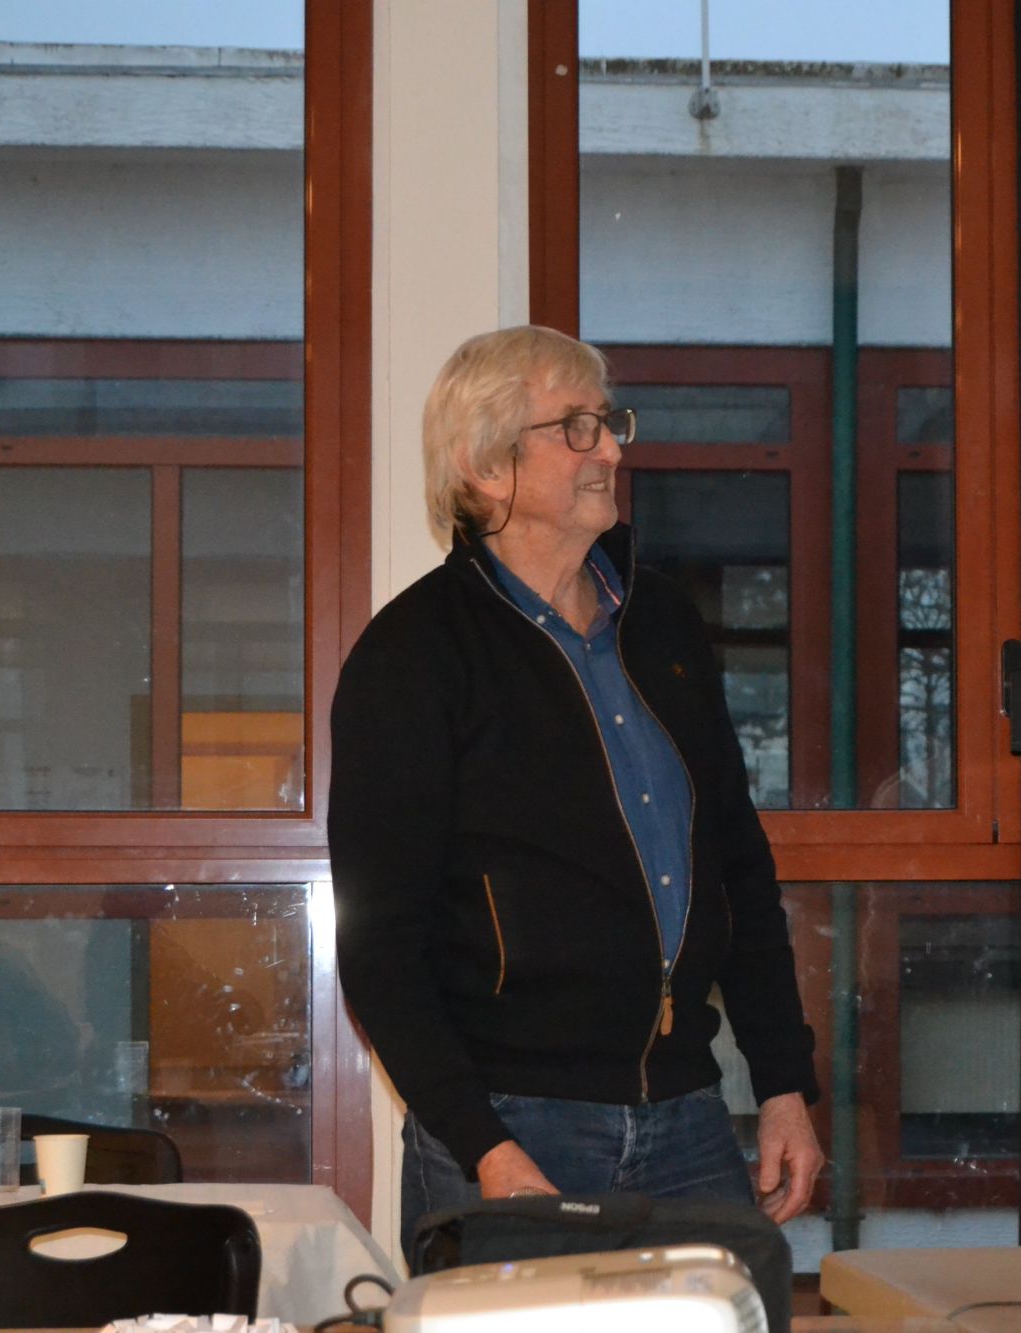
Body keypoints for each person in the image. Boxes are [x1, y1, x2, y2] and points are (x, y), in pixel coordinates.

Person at [329, 326, 822, 1260]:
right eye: (577, 428)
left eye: (610, 422)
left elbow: (738, 872)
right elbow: (380, 947)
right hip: (511, 1127)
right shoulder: (412, 657)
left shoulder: (664, 623)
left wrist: (784, 1082)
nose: (612, 451)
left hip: (688, 1118)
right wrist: (483, 1144)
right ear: (487, 467)